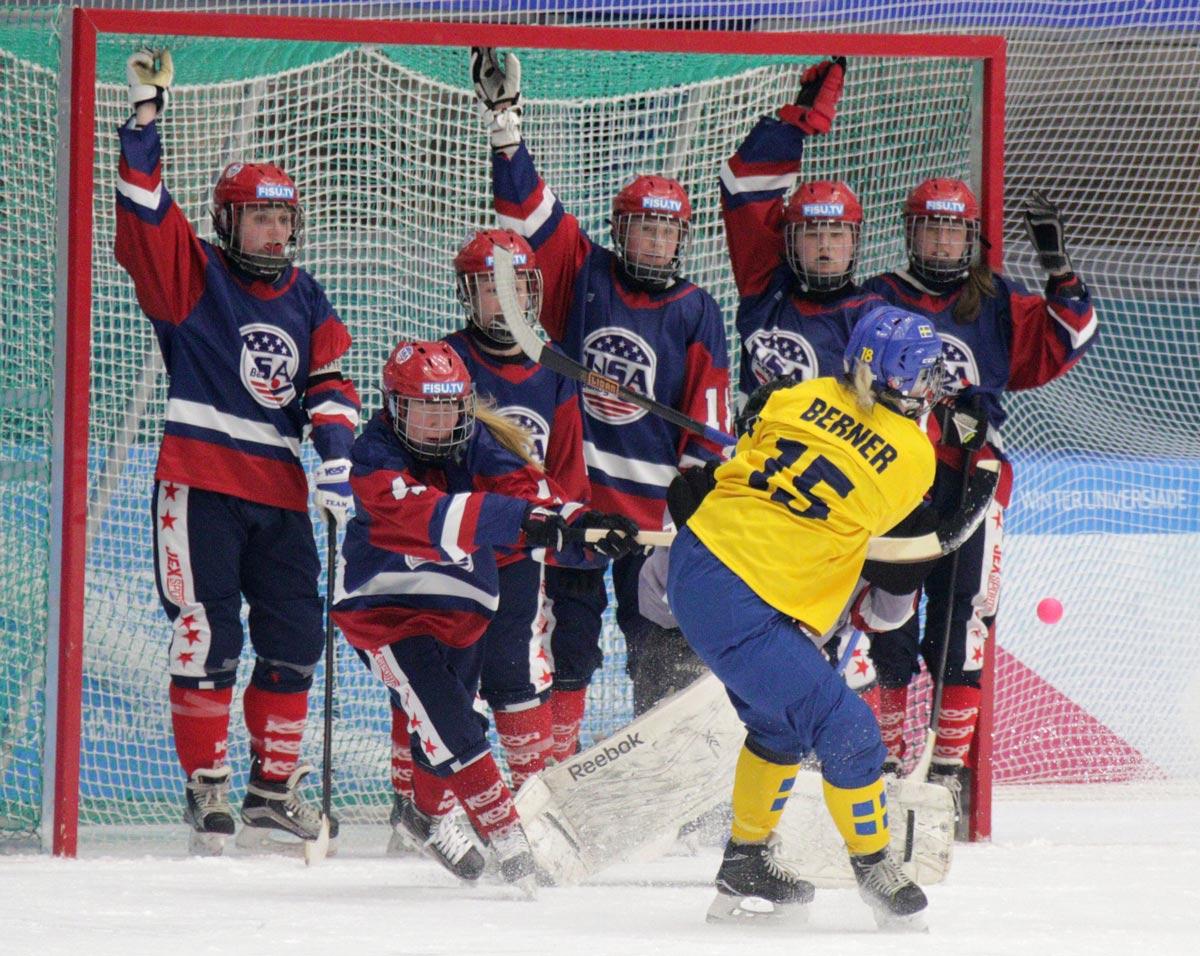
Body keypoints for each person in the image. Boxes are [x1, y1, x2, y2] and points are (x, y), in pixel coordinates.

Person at [114, 48, 362, 856]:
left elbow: (328, 384)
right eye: (260, 216)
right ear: (227, 222)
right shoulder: (194, 279)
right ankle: (209, 788)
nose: (276, 230)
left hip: (281, 495)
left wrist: (334, 457)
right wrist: (146, 120)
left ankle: (270, 790)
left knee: (294, 636)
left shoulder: (308, 293)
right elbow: (146, 213)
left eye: (285, 219)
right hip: (199, 482)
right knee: (208, 634)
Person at [470, 46, 732, 749]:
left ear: (683, 238)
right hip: (581, 504)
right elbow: (530, 213)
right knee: (571, 649)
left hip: (657, 518)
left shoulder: (697, 309)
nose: (653, 240)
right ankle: (560, 766)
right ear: (621, 230)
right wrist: (506, 127)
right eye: (643, 226)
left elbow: (708, 411)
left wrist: (693, 485)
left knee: (661, 650)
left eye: (667, 228)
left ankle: (663, 768)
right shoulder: (582, 269)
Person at [666, 306, 945, 925]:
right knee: (850, 733)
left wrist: (748, 428)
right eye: (923, 375)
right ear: (897, 378)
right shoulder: (913, 454)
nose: (930, 389)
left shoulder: (798, 395)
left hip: (699, 562)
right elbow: (879, 540)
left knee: (780, 728)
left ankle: (745, 859)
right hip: (746, 597)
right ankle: (874, 867)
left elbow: (756, 446)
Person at [331, 340, 639, 890]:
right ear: (395, 407)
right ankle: (511, 844)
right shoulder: (373, 454)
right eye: (425, 408)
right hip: (388, 610)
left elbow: (529, 493)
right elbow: (432, 516)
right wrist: (524, 520)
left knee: (450, 726)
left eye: (449, 407)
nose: (439, 420)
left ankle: (425, 813)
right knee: (447, 713)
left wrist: (583, 525)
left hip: (463, 606)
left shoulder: (477, 442)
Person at [862, 178, 1097, 828]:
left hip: (975, 482)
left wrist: (1059, 271)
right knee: (885, 618)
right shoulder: (880, 296)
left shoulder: (994, 302)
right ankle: (880, 762)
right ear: (912, 234)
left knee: (963, 622)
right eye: (933, 229)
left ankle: (944, 777)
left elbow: (1071, 339)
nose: (944, 241)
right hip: (892, 482)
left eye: (956, 230)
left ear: (972, 239)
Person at [718, 55, 893, 715]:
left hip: (829, 511)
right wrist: (795, 120)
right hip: (753, 500)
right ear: (789, 242)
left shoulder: (875, 319)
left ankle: (854, 749)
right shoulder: (765, 289)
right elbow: (743, 188)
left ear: (856, 244)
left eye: (837, 235)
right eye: (811, 232)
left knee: (833, 650)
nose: (824, 247)